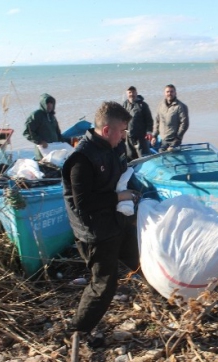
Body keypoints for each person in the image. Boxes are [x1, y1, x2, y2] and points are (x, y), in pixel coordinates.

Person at [62, 101, 141, 347]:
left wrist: (135, 193)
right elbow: (83, 203)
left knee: (141, 261)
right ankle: (78, 331)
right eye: (122, 131)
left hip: (116, 221)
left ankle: (174, 295)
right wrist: (120, 197)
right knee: (104, 285)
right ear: (107, 130)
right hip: (95, 231)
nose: (124, 136)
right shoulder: (81, 159)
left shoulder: (113, 147)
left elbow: (123, 173)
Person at [23, 93, 65, 159]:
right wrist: (40, 141)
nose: (50, 105)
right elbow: (27, 132)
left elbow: (58, 133)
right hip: (42, 152)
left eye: (51, 103)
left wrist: (63, 143)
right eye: (47, 103)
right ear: (43, 104)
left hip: (54, 150)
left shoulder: (52, 116)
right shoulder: (36, 115)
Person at [151, 84, 189, 152]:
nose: (169, 93)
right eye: (167, 92)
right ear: (164, 93)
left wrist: (178, 138)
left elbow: (184, 123)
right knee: (161, 155)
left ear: (175, 93)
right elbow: (157, 121)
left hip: (174, 140)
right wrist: (154, 136)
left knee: (173, 158)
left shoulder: (180, 106)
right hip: (163, 139)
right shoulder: (160, 105)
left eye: (171, 91)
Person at [122, 86, 154, 160]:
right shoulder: (124, 105)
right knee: (130, 158)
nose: (132, 94)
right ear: (127, 94)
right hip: (128, 137)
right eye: (130, 92)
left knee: (144, 157)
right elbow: (121, 119)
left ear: (136, 93)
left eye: (133, 92)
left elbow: (149, 120)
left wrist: (149, 131)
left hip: (141, 137)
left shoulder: (143, 105)